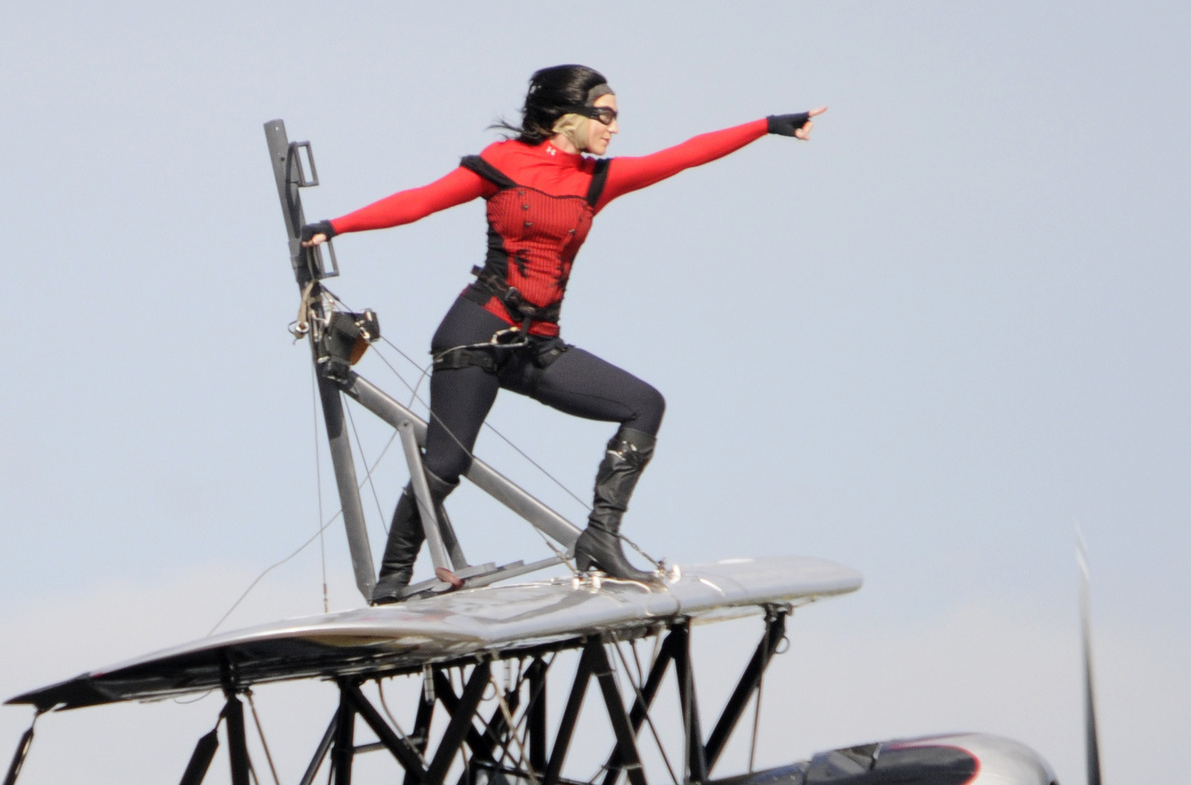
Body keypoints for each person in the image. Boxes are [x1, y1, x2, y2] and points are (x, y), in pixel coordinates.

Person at [303, 65, 825, 601]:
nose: (614, 128)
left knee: (644, 405)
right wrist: (335, 225)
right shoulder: (502, 164)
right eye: (605, 115)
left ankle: (600, 539)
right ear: (566, 116)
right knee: (446, 464)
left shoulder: (597, 179)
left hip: (539, 346)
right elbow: (421, 200)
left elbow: (685, 154)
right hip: (478, 331)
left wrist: (765, 126)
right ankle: (391, 582)